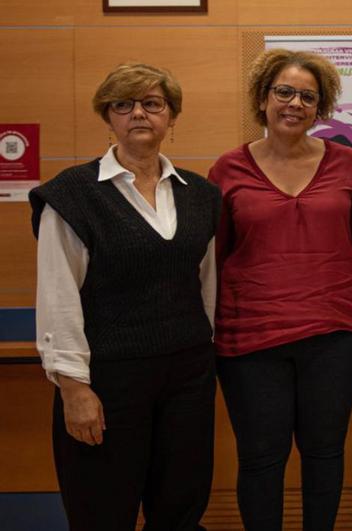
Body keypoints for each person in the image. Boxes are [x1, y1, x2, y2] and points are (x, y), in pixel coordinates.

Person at [31, 63, 221, 529]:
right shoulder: (73, 196)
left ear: (171, 117)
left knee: (180, 507)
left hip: (187, 378)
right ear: (108, 117)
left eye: (152, 104)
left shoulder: (201, 195)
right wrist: (74, 389)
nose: (139, 113)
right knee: (102, 510)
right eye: (124, 104)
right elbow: (57, 295)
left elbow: (207, 286)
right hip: (108, 380)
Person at [209, 49, 352, 531]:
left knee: (325, 452)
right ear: (263, 99)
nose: (294, 103)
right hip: (249, 338)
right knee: (261, 457)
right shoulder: (227, 169)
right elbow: (213, 259)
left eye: (308, 96)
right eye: (283, 92)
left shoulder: (347, 162)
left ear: (320, 106)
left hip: (337, 333)